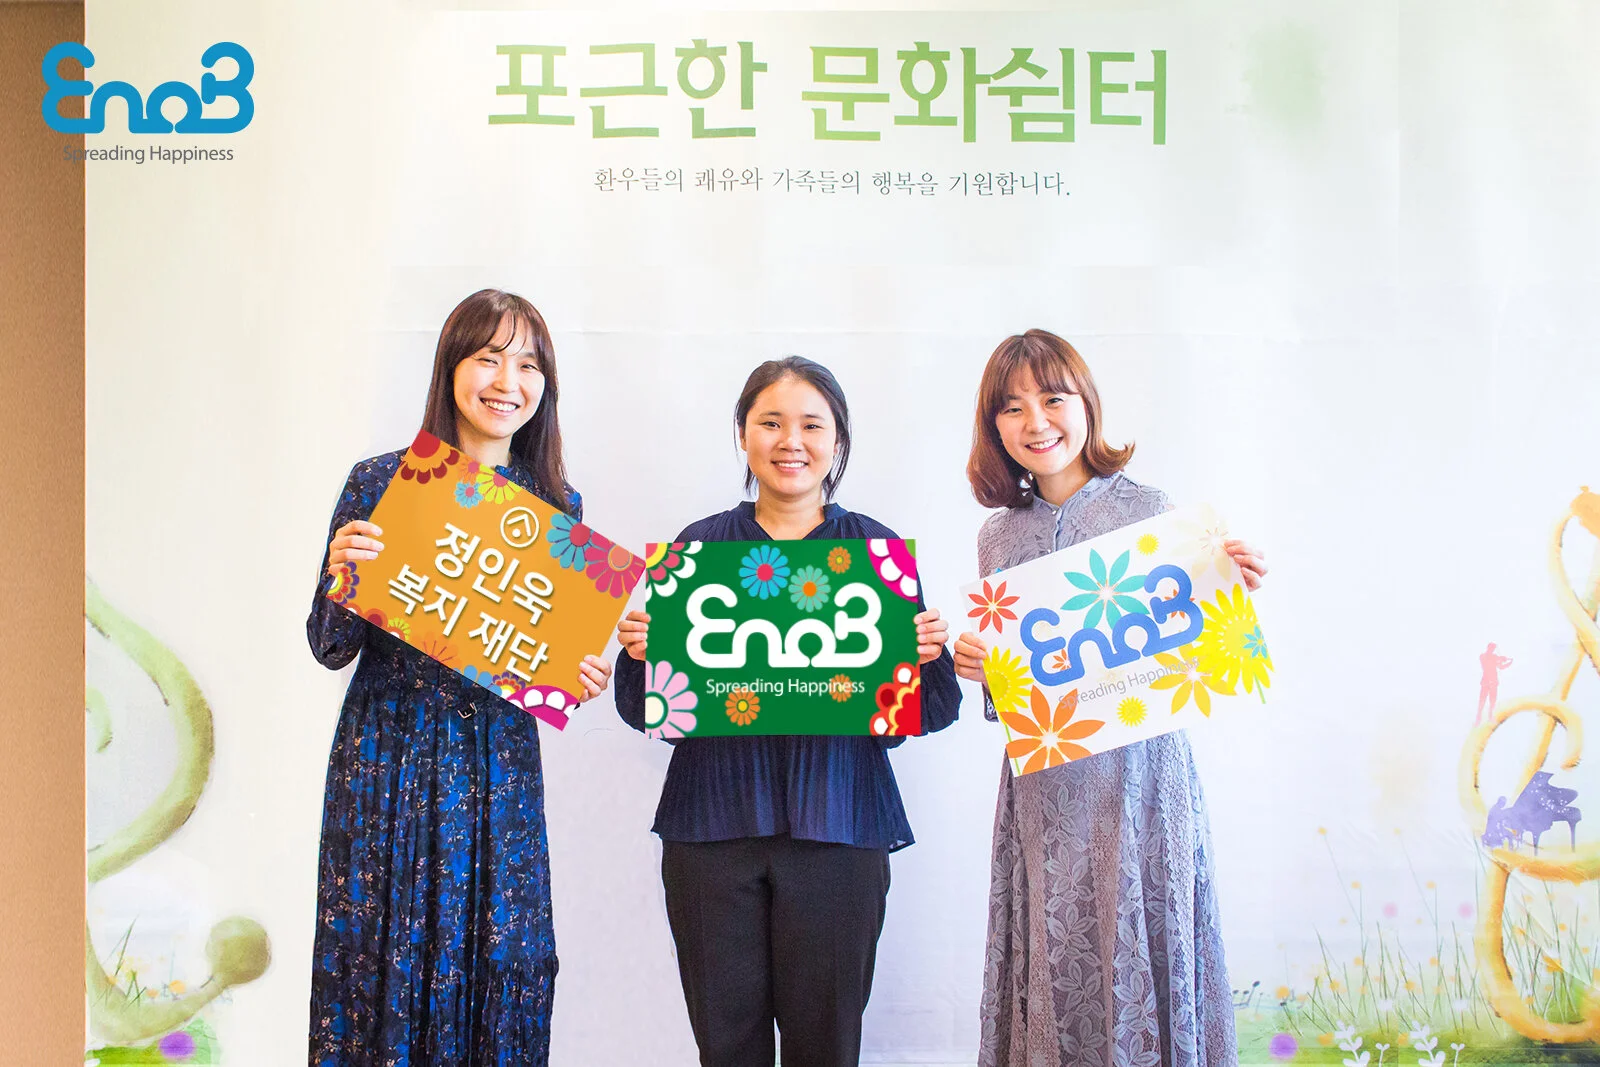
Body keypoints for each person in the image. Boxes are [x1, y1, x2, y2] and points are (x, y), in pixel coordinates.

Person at [613, 356, 962, 1067]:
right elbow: (648, 711)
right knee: (726, 1047)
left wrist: (928, 654)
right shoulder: (700, 547)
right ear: (743, 434)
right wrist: (641, 653)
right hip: (711, 831)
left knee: (826, 1046)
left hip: (841, 827)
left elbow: (926, 710)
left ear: (838, 440)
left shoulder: (874, 551)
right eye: (770, 422)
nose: (790, 441)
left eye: (811, 424)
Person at [305, 289, 613, 1066]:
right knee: (380, 954)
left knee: (504, 960)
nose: (508, 381)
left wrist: (578, 674)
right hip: (389, 759)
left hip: (498, 771)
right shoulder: (381, 481)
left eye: (529, 365)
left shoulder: (556, 505)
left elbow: (543, 669)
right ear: (451, 368)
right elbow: (329, 646)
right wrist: (342, 576)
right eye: (489, 358)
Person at [953, 330, 1267, 1067]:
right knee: (1056, 958)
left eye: (1052, 398)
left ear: (1087, 404)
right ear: (993, 426)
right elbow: (1020, 695)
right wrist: (983, 669)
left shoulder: (1151, 510)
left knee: (1145, 944)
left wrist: (1232, 589)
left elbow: (1193, 649)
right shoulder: (997, 537)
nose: (1035, 422)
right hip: (1045, 793)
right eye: (1011, 407)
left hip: (1143, 780)